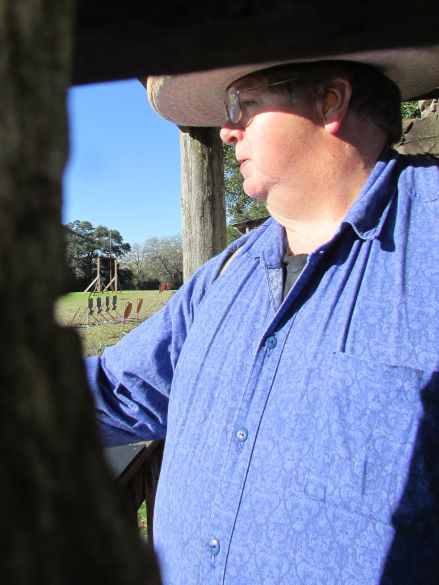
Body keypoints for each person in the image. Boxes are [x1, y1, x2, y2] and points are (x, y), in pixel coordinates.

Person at [86, 46, 439, 584]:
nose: (227, 131)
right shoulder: (224, 276)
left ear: (330, 101)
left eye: (243, 104)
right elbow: (120, 391)